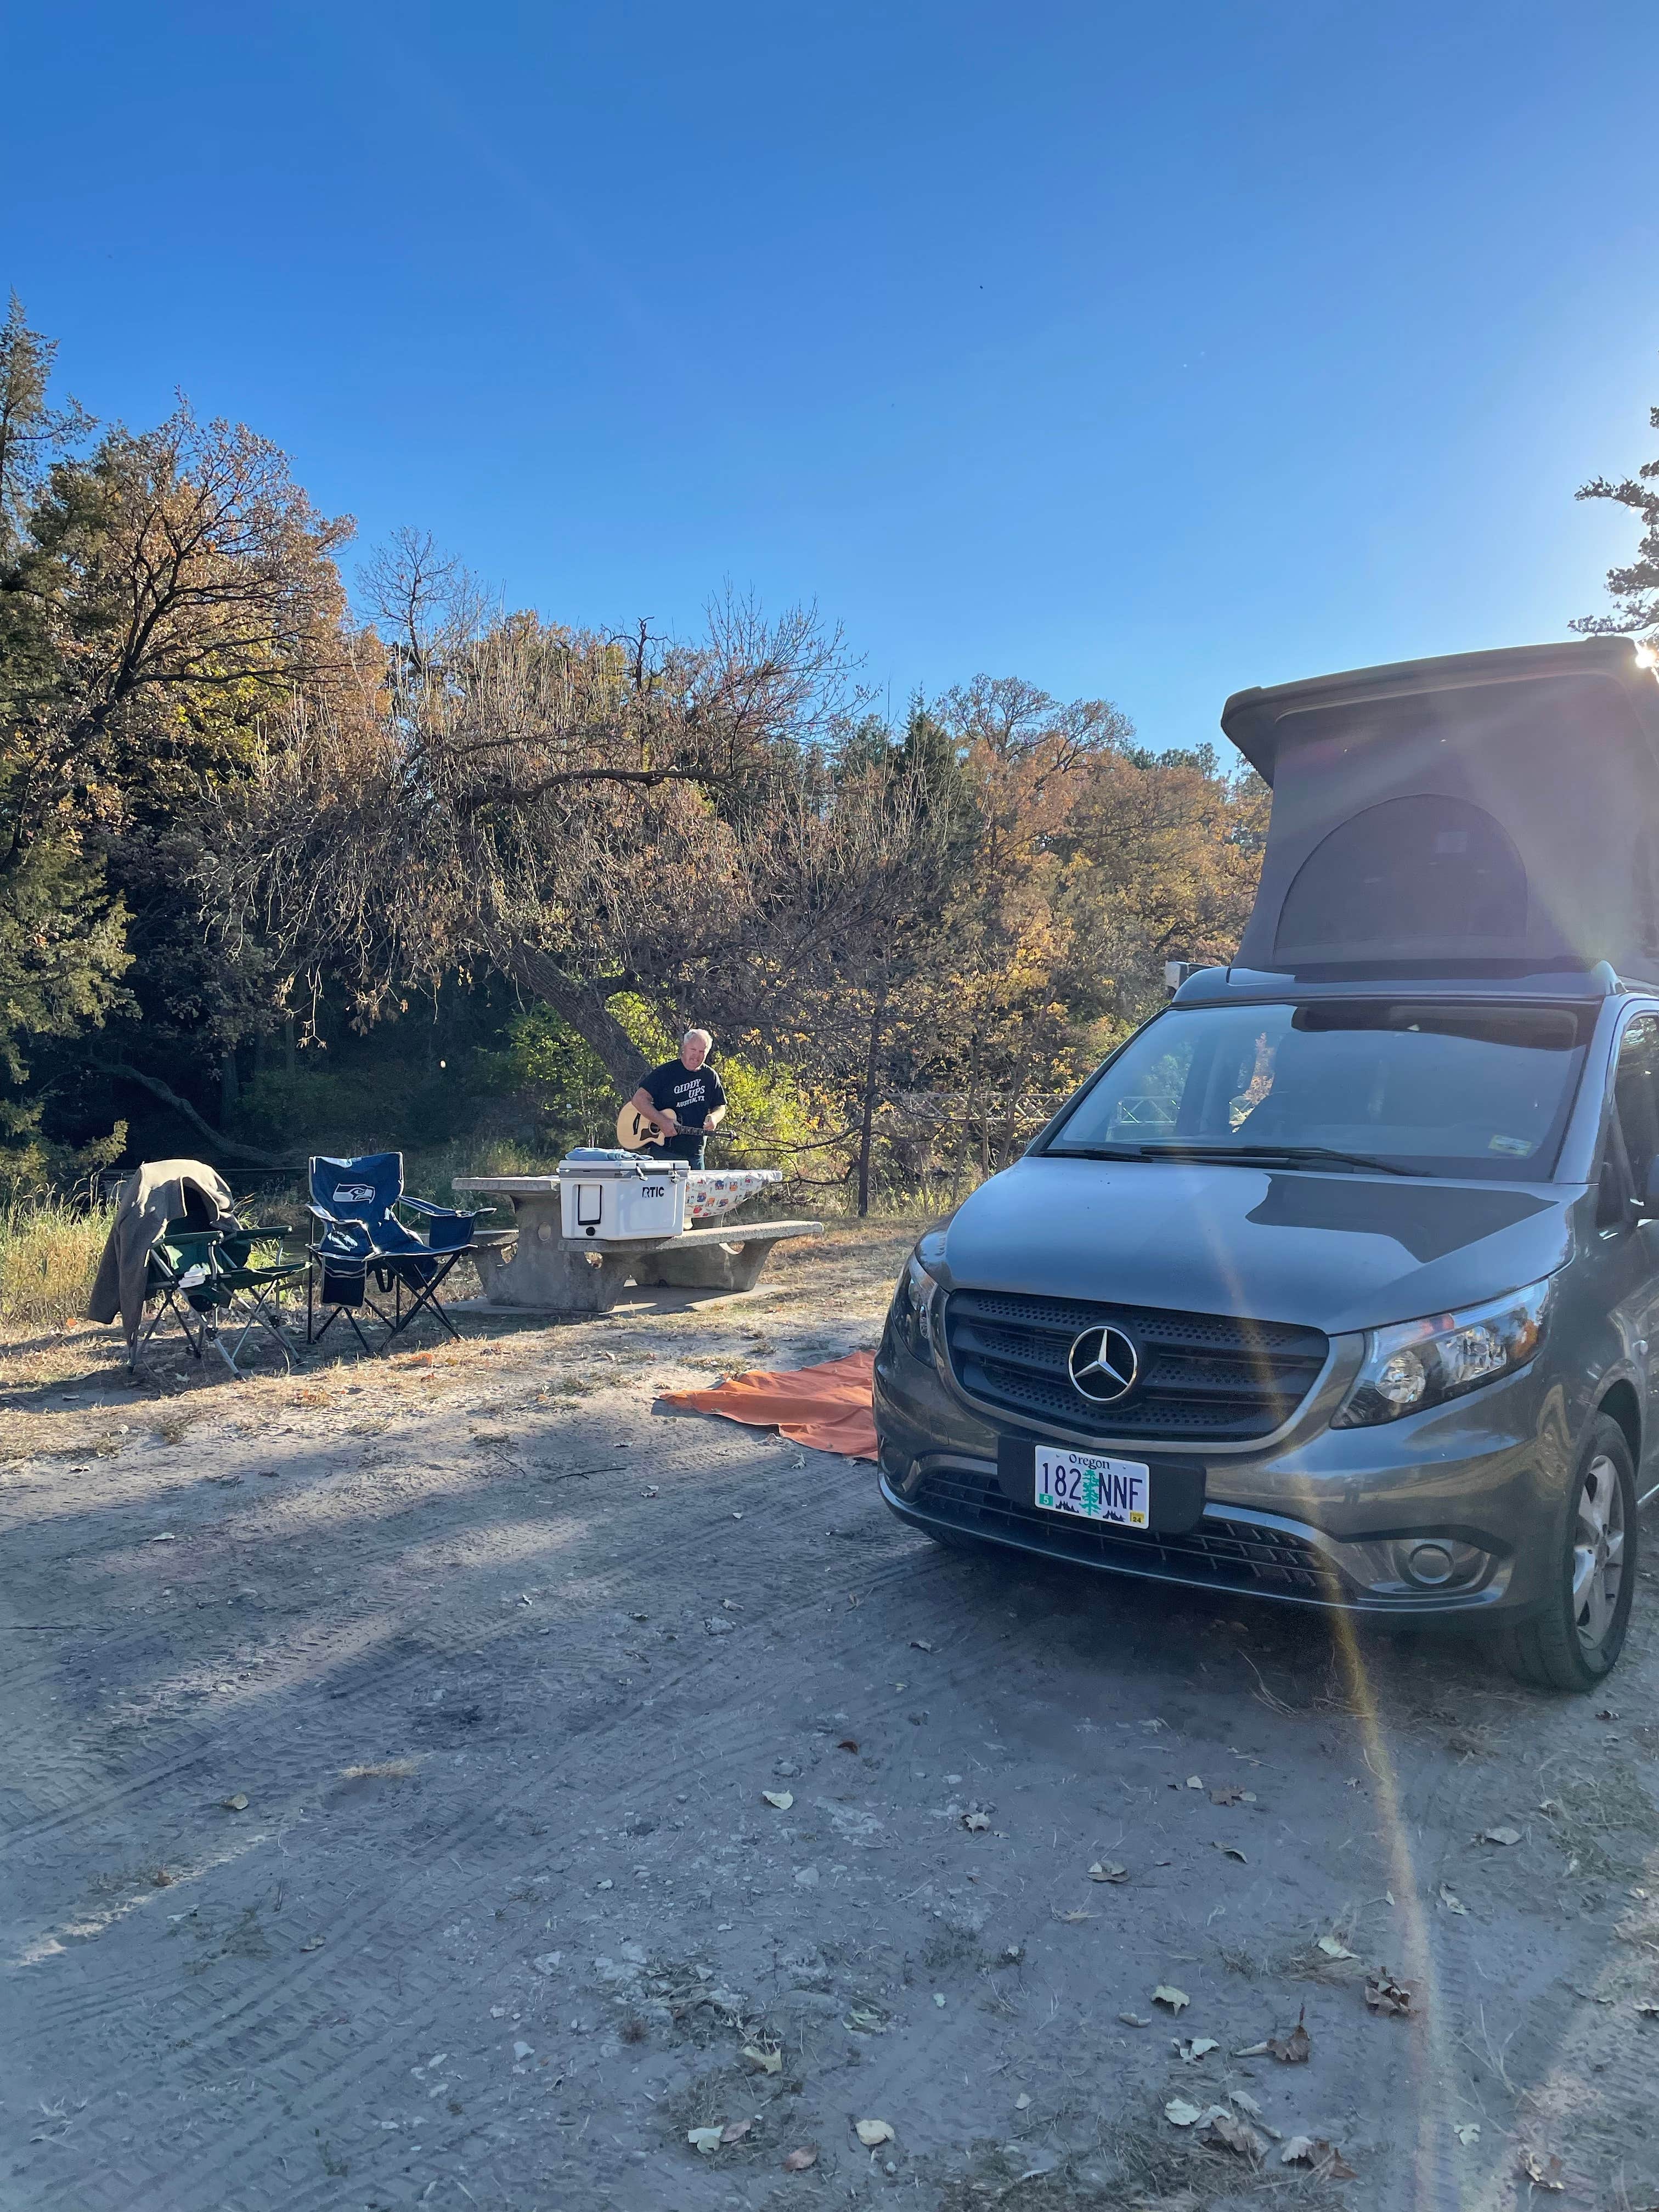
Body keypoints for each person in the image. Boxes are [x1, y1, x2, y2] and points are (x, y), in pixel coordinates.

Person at [631, 1029, 727, 1168]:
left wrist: (714, 1117)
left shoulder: (710, 1076)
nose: (697, 1055)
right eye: (693, 1049)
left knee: (695, 1190)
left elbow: (721, 1106)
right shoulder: (666, 1072)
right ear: (684, 1047)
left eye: (702, 1052)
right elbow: (639, 1099)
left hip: (695, 1153)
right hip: (665, 1151)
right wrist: (661, 1120)